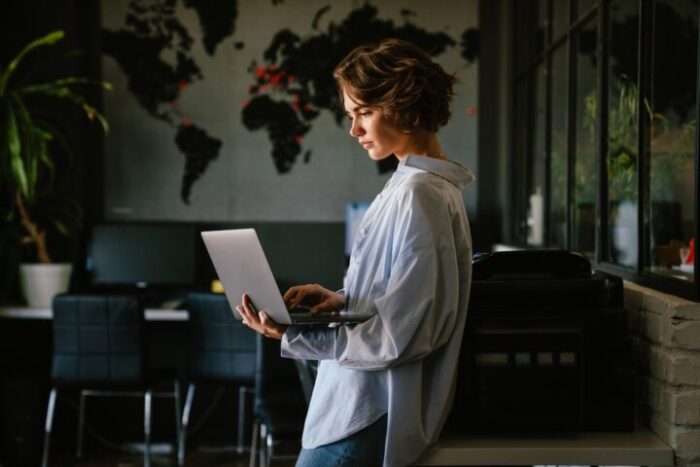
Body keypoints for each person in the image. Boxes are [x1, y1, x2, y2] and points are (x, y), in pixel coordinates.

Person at [236, 38, 474, 467]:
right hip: (358, 404)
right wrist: (341, 300)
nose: (355, 130)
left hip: (368, 410)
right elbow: (403, 298)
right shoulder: (411, 185)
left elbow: (404, 333)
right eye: (351, 115)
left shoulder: (423, 195)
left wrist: (295, 334)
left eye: (364, 112)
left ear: (406, 103)